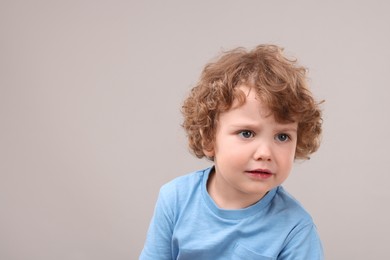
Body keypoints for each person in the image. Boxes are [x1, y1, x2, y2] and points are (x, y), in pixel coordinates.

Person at [140, 44, 324, 259]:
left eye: (282, 137)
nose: (265, 153)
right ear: (209, 137)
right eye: (246, 133)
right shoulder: (176, 199)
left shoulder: (296, 229)